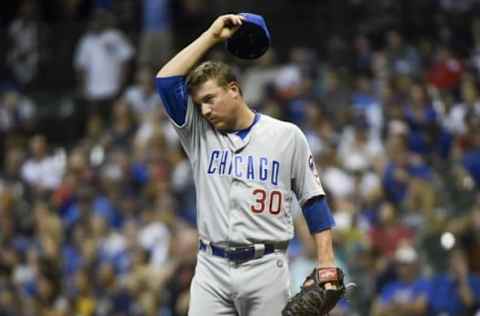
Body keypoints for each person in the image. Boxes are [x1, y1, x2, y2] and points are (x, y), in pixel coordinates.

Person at [155, 14, 338, 316]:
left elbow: (313, 200)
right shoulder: (199, 133)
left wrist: (326, 260)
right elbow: (166, 81)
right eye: (199, 103)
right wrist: (211, 36)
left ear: (234, 90)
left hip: (266, 266)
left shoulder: (286, 135)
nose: (205, 109)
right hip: (211, 267)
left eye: (210, 98)